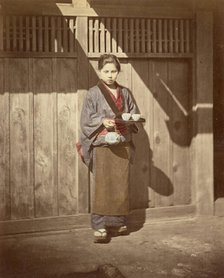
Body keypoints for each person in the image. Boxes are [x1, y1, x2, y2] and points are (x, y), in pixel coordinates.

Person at [78, 54, 139, 243]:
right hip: (103, 144)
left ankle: (118, 222)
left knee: (121, 185)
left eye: (114, 71)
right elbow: (86, 120)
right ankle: (99, 226)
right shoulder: (93, 93)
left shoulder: (126, 92)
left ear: (118, 71)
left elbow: (134, 114)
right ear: (99, 71)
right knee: (103, 186)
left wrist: (128, 118)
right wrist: (102, 121)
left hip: (121, 142)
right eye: (106, 71)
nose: (110, 75)